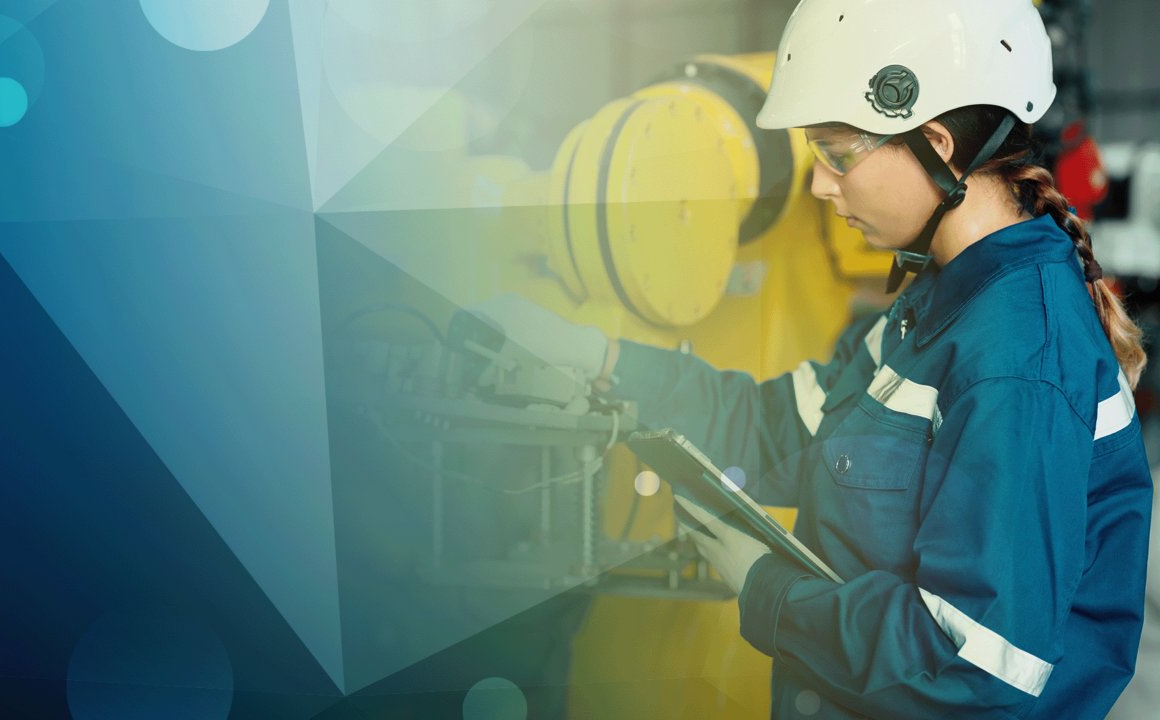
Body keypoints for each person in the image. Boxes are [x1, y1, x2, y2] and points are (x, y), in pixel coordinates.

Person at [470, 0, 1153, 717]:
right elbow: (781, 429)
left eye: (838, 151)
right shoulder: (938, 303)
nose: (821, 184)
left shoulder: (1016, 355)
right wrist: (599, 358)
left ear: (938, 145)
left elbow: (974, 667)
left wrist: (768, 592)